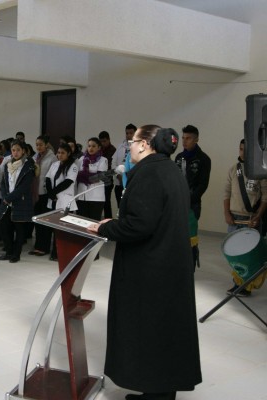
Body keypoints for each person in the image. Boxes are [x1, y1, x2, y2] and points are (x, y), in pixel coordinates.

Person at [87, 125, 202, 400]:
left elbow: (139, 225)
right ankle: (157, 392)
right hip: (168, 264)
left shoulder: (149, 173)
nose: (130, 146)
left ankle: (156, 393)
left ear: (144, 144)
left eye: (132, 141)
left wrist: (106, 228)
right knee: (163, 332)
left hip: (151, 269)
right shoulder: (170, 169)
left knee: (150, 330)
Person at [223, 139, 267, 297]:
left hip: (251, 219)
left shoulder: (259, 171)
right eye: (241, 149)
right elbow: (226, 193)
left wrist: (258, 216)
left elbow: (265, 198)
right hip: (235, 218)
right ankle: (238, 283)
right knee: (235, 253)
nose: (243, 152)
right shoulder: (233, 170)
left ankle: (245, 286)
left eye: (246, 149)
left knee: (248, 255)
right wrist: (226, 213)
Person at [175, 124, 211, 268]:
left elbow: (203, 185)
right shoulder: (178, 157)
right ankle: (177, 266)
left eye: (188, 138)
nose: (184, 141)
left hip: (192, 205)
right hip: (176, 204)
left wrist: (188, 200)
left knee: (190, 239)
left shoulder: (203, 159)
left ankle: (190, 267)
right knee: (176, 238)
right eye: (183, 138)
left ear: (196, 140)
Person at [0, 140, 36, 263]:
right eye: (13, 150)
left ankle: (16, 254)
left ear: (23, 151)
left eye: (18, 150)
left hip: (20, 201)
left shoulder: (29, 165)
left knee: (19, 229)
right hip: (7, 201)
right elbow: (3, 182)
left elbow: (24, 187)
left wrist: (9, 198)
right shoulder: (8, 164)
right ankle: (8, 251)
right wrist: (5, 196)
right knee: (3, 225)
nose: (16, 152)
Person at [45, 142, 78, 260]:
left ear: (69, 153)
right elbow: (48, 178)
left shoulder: (73, 166)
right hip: (54, 199)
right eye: (58, 153)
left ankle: (64, 253)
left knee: (64, 229)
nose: (60, 155)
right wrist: (50, 193)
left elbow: (68, 182)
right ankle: (55, 252)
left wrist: (53, 192)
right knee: (55, 227)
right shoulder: (54, 164)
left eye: (63, 153)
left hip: (64, 199)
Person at [30, 135, 56, 256]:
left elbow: (53, 176)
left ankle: (44, 247)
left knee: (45, 221)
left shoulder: (52, 158)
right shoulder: (35, 157)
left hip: (45, 193)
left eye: (41, 144)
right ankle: (38, 245)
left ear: (46, 145)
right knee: (37, 220)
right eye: (37, 145)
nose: (38, 147)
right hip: (36, 193)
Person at [76, 137, 108, 221]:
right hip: (81, 196)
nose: (91, 148)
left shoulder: (103, 160)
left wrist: (83, 175)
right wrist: (86, 176)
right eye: (89, 146)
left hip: (96, 198)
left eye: (94, 146)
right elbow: (76, 176)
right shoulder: (82, 159)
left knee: (93, 223)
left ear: (99, 147)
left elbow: (98, 177)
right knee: (81, 223)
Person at [112, 124, 136, 208]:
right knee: (120, 207)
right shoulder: (120, 147)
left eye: (131, 133)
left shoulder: (139, 148)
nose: (128, 135)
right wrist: (118, 175)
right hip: (119, 182)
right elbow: (113, 163)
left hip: (132, 183)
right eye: (127, 133)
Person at [98, 131, 116, 218]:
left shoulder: (113, 150)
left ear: (109, 140)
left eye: (104, 141)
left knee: (106, 202)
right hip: (98, 179)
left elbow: (110, 166)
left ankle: (108, 219)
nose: (103, 143)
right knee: (99, 202)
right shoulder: (98, 150)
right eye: (101, 141)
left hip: (108, 179)